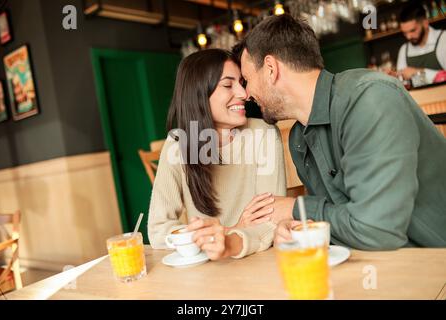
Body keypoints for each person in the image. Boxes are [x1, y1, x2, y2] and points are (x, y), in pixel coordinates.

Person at [233, 14, 446, 249]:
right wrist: (300, 224)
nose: (246, 94)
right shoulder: (298, 139)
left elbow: (376, 231)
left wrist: (297, 208)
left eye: (246, 79)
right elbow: (338, 217)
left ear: (271, 69)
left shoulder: (369, 99)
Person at [147, 49, 287, 260]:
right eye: (228, 85)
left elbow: (271, 223)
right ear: (199, 95)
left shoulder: (263, 134)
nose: (244, 93)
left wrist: (226, 240)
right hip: (206, 269)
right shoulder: (178, 144)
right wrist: (232, 230)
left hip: (258, 262)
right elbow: (159, 231)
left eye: (241, 82)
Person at [396, 2, 445, 85]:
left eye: (412, 30)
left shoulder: (443, 39)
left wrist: (418, 72)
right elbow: (402, 84)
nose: (408, 37)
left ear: (425, 23)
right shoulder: (404, 49)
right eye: (404, 33)